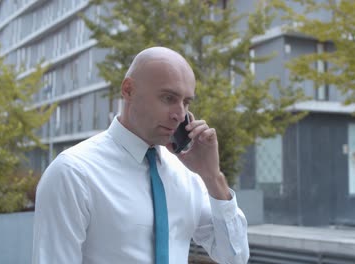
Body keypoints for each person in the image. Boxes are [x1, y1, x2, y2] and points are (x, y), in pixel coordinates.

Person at [32, 47, 250, 264]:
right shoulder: (73, 173)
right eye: (168, 98)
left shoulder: (187, 174)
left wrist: (212, 176)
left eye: (186, 102)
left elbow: (234, 257)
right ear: (128, 90)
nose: (180, 115)